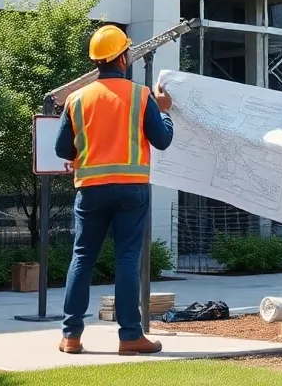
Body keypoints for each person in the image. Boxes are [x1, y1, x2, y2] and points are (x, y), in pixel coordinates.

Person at [54, 25, 174, 355]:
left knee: (82, 258)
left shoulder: (77, 99)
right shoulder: (140, 95)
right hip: (131, 191)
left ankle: (71, 336)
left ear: (97, 61)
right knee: (127, 260)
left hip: (90, 190)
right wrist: (166, 114)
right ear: (123, 57)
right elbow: (162, 140)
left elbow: (63, 148)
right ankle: (130, 336)